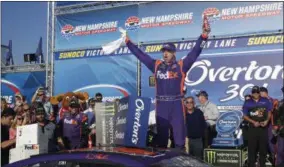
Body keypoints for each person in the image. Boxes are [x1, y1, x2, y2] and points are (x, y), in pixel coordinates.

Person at [124, 16, 211, 150]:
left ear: (174, 53)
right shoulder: (156, 65)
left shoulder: (182, 65)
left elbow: (195, 52)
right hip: (161, 104)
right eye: (163, 51)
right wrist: (128, 43)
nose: (165, 54)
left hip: (176, 104)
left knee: (179, 139)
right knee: (162, 139)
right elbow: (141, 55)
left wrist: (204, 36)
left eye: (168, 51)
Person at [243, 86, 272, 167]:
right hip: (252, 128)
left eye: (257, 92)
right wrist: (253, 122)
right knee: (252, 149)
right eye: (254, 92)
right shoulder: (248, 102)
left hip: (263, 128)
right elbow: (244, 116)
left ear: (259, 92)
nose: (255, 94)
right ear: (252, 93)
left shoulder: (265, 101)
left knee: (263, 149)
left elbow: (269, 112)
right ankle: (251, 165)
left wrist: (266, 121)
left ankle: (262, 164)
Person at [260, 86, 278, 164]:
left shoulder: (272, 101)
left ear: (264, 93)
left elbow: (271, 112)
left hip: (271, 126)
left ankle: (276, 162)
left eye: (260, 93)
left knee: (272, 146)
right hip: (262, 126)